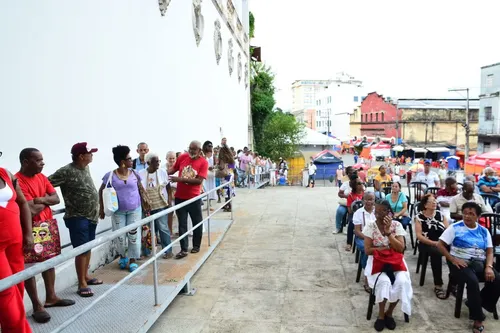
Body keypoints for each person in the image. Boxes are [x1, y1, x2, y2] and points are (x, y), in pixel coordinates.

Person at [16, 149, 75, 322]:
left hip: (47, 226)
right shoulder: (18, 180)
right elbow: (28, 209)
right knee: (31, 266)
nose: (43, 163)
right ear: (26, 162)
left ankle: (51, 297)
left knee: (50, 262)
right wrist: (44, 200)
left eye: (42, 159)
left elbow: (56, 199)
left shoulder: (42, 177)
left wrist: (39, 200)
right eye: (38, 160)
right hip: (30, 228)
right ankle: (37, 305)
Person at [49, 142, 102, 298]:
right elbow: (46, 182)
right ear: (81, 156)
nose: (92, 155)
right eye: (90, 153)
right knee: (81, 250)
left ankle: (86, 276)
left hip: (91, 215)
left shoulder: (86, 167)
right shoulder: (66, 171)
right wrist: (44, 201)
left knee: (88, 247)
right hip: (77, 217)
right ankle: (81, 284)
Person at [437, 202, 500, 333]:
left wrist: (488, 266)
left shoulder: (483, 231)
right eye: (465, 213)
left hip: (479, 263)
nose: (467, 216)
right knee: (472, 281)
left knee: (497, 278)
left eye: (471, 214)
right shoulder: (455, 228)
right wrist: (453, 259)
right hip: (459, 263)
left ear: (478, 216)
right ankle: (478, 318)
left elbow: (489, 251)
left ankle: (476, 303)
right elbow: (440, 245)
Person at [363, 199, 412, 332]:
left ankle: (389, 313)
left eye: (382, 211)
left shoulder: (396, 225)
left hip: (395, 260)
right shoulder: (370, 226)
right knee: (384, 282)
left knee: (402, 281)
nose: (379, 215)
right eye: (376, 211)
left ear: (389, 212)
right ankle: (380, 315)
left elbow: (400, 249)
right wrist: (384, 248)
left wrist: (388, 233)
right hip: (377, 260)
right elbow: (368, 250)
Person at [99, 145, 143, 272]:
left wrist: (146, 205)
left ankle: (133, 259)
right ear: (122, 162)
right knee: (120, 236)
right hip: (118, 212)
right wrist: (101, 208)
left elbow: (140, 189)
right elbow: (101, 191)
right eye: (129, 158)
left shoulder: (135, 173)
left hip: (135, 209)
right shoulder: (110, 175)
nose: (132, 160)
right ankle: (123, 256)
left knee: (133, 236)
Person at [0, 165, 33, 333]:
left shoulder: (5, 173)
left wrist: (28, 233)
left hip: (15, 242)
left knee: (18, 287)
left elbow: (23, 203)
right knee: (6, 293)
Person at [168, 140, 208, 259]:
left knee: (197, 223)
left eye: (194, 149)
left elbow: (199, 181)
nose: (191, 151)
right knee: (182, 224)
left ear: (199, 150)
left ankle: (196, 245)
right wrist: (160, 173)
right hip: (180, 197)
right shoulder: (183, 157)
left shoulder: (203, 163)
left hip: (194, 198)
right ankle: (183, 249)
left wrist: (180, 180)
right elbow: (172, 169)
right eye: (190, 148)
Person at [138, 153, 173, 259]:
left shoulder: (162, 172)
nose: (158, 163)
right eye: (155, 161)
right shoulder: (141, 173)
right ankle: (146, 251)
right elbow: (140, 190)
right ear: (148, 163)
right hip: (147, 206)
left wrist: (169, 202)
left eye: (158, 161)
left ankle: (168, 250)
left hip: (160, 204)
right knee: (147, 229)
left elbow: (168, 188)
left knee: (163, 227)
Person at [415, 194, 448, 299]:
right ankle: (438, 285)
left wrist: (443, 242)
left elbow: (448, 231)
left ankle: (454, 283)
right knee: (436, 253)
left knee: (455, 252)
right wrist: (434, 243)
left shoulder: (441, 215)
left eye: (435, 201)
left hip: (441, 242)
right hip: (426, 243)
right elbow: (419, 236)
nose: (434, 203)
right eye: (431, 201)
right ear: (425, 205)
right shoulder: (419, 217)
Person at [352, 191, 376, 293]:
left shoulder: (378, 212)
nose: (368, 201)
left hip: (376, 237)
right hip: (362, 237)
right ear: (362, 200)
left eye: (371, 199)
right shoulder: (358, 213)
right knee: (368, 250)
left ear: (374, 201)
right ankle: (367, 279)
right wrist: (368, 239)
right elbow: (357, 231)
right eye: (366, 199)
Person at [334, 166, 355, 233]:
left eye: (353, 172)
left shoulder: (359, 183)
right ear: (348, 174)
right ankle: (338, 227)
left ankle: (349, 228)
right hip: (346, 203)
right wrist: (347, 196)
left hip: (355, 204)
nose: (352, 174)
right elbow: (339, 194)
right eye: (350, 173)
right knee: (340, 211)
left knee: (353, 214)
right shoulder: (345, 184)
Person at [346, 175, 364, 251]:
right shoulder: (351, 196)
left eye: (361, 183)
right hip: (354, 215)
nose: (361, 185)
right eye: (359, 184)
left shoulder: (365, 194)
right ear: (354, 186)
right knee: (351, 225)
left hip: (364, 214)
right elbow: (349, 209)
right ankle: (349, 243)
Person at [165, 151, 177, 235]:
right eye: (170, 158)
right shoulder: (163, 168)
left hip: (177, 192)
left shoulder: (178, 167)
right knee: (169, 213)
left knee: (180, 212)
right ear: (166, 159)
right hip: (168, 193)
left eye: (173, 158)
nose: (172, 160)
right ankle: (170, 231)